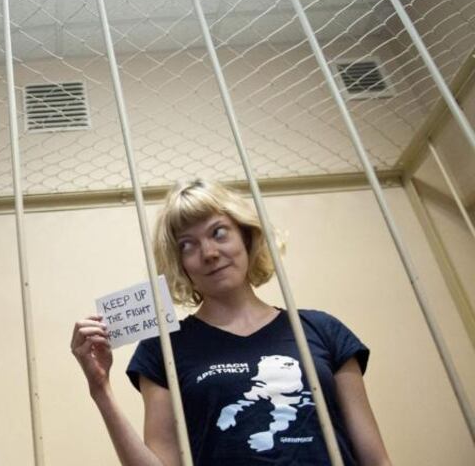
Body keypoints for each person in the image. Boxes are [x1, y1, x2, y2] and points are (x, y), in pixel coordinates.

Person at [71, 179, 392, 465]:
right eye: (188, 245)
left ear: (247, 237)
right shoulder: (162, 348)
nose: (208, 252)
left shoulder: (322, 329)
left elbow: (375, 457)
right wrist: (101, 391)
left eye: (218, 232)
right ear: (180, 264)